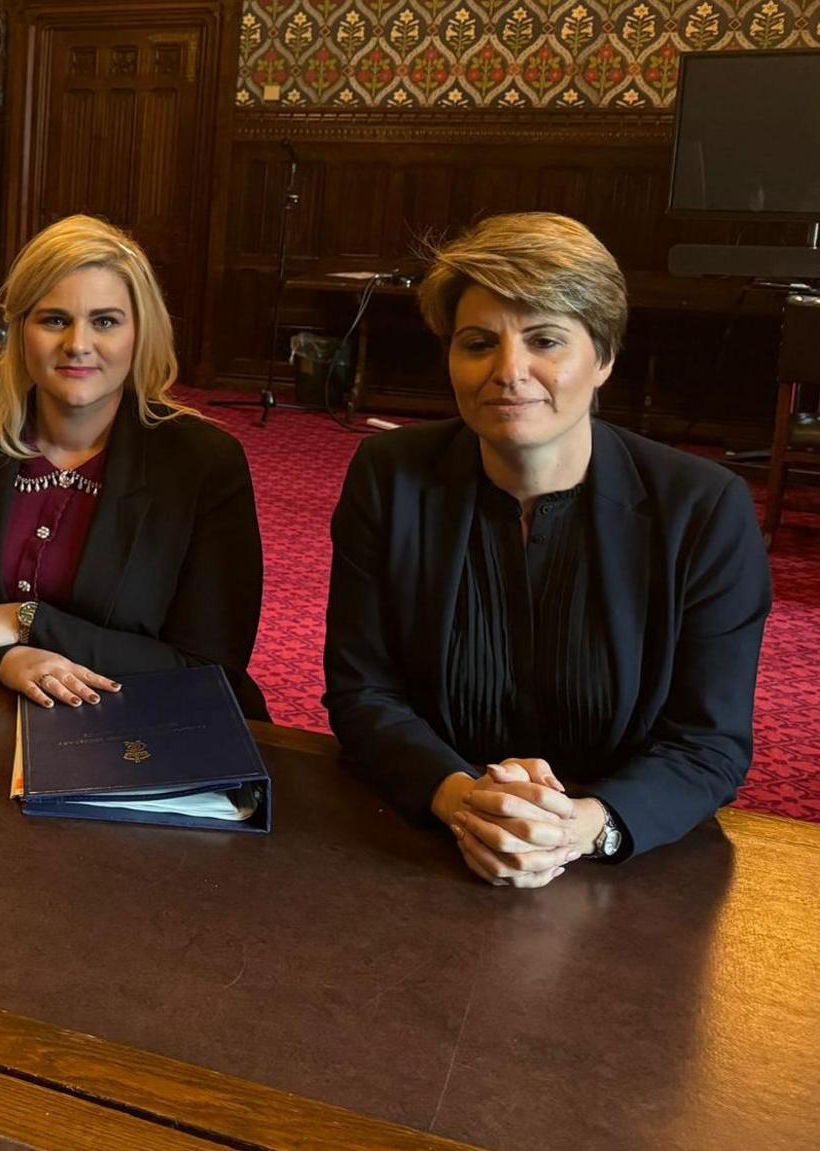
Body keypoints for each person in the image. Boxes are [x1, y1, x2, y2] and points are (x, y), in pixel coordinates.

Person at [323, 212, 772, 886]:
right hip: (424, 846)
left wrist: (577, 829)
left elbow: (709, 742)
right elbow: (362, 692)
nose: (509, 371)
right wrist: (464, 802)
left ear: (605, 358)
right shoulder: (390, 476)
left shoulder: (704, 509)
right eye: (478, 343)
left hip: (621, 871)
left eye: (546, 339)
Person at [0, 214, 268, 764]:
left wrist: (24, 621)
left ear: (139, 332)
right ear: (19, 330)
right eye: (54, 319)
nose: (78, 344)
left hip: (147, 723)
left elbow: (209, 667)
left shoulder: (203, 464)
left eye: (105, 321)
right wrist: (2, 660)